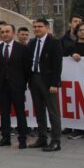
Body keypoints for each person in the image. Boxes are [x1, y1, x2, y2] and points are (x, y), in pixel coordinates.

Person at [0, 24, 32, 149]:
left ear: (13, 33)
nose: (4, 34)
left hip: (17, 86)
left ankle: (22, 139)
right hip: (3, 86)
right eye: (2, 31)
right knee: (4, 113)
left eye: (7, 31)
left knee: (20, 113)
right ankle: (5, 138)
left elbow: (27, 69)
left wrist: (21, 82)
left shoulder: (22, 48)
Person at [27, 19, 64, 152]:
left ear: (47, 28)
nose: (37, 29)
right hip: (34, 80)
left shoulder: (54, 43)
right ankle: (42, 138)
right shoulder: (31, 43)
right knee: (39, 111)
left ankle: (55, 141)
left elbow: (57, 65)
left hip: (48, 83)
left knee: (53, 112)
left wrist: (55, 83)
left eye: (40, 26)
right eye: (35, 27)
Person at [66, 22, 84, 140]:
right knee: (76, 103)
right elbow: (63, 57)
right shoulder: (72, 46)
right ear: (77, 33)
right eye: (80, 30)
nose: (83, 32)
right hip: (75, 81)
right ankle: (77, 129)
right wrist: (72, 55)